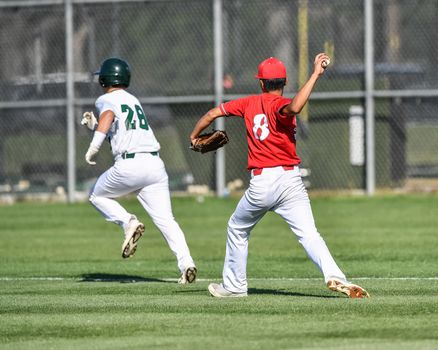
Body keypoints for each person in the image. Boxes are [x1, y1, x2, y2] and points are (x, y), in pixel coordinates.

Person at [190, 54, 369, 298]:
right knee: (309, 234)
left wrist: (194, 135)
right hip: (290, 182)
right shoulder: (279, 104)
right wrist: (315, 73)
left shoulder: (247, 103)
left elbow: (212, 114)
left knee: (237, 227)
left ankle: (234, 287)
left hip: (262, 183)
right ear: (283, 83)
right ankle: (335, 276)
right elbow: (294, 107)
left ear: (261, 83)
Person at [82, 57, 197, 284]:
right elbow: (120, 131)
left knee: (96, 195)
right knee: (167, 220)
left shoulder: (106, 99)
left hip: (130, 164)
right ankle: (187, 264)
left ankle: (128, 222)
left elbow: (108, 117)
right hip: (154, 165)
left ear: (106, 78)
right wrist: (95, 127)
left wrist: (93, 145)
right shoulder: (133, 100)